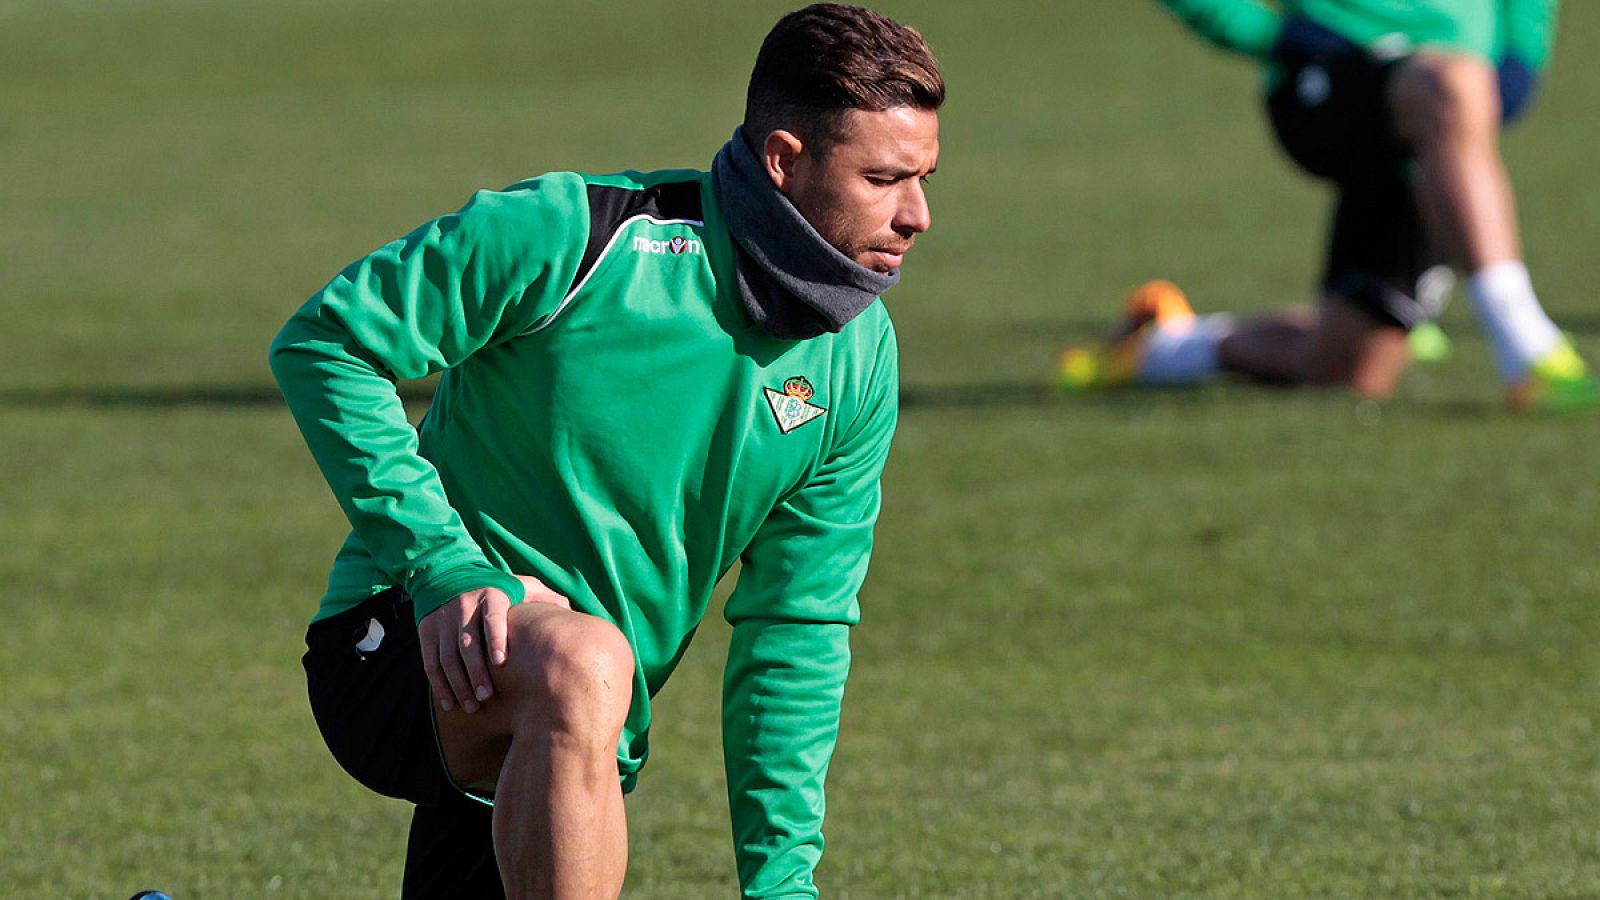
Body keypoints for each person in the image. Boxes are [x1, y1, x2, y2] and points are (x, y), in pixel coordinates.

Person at [268, 5, 942, 897]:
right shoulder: (575, 237)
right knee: (588, 663)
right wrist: (444, 567)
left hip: (576, 740)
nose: (918, 214)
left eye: (925, 177)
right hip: (406, 643)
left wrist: (780, 883)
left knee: (588, 676)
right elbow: (326, 342)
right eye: (884, 178)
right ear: (785, 160)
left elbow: (796, 627)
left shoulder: (860, 357)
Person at [1056, 0, 1599, 413]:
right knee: (1447, 82)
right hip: (1334, 74)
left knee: (1348, 370)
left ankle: (1163, 345)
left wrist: (1521, 58)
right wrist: (1272, 34)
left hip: (1449, 113)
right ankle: (1525, 346)